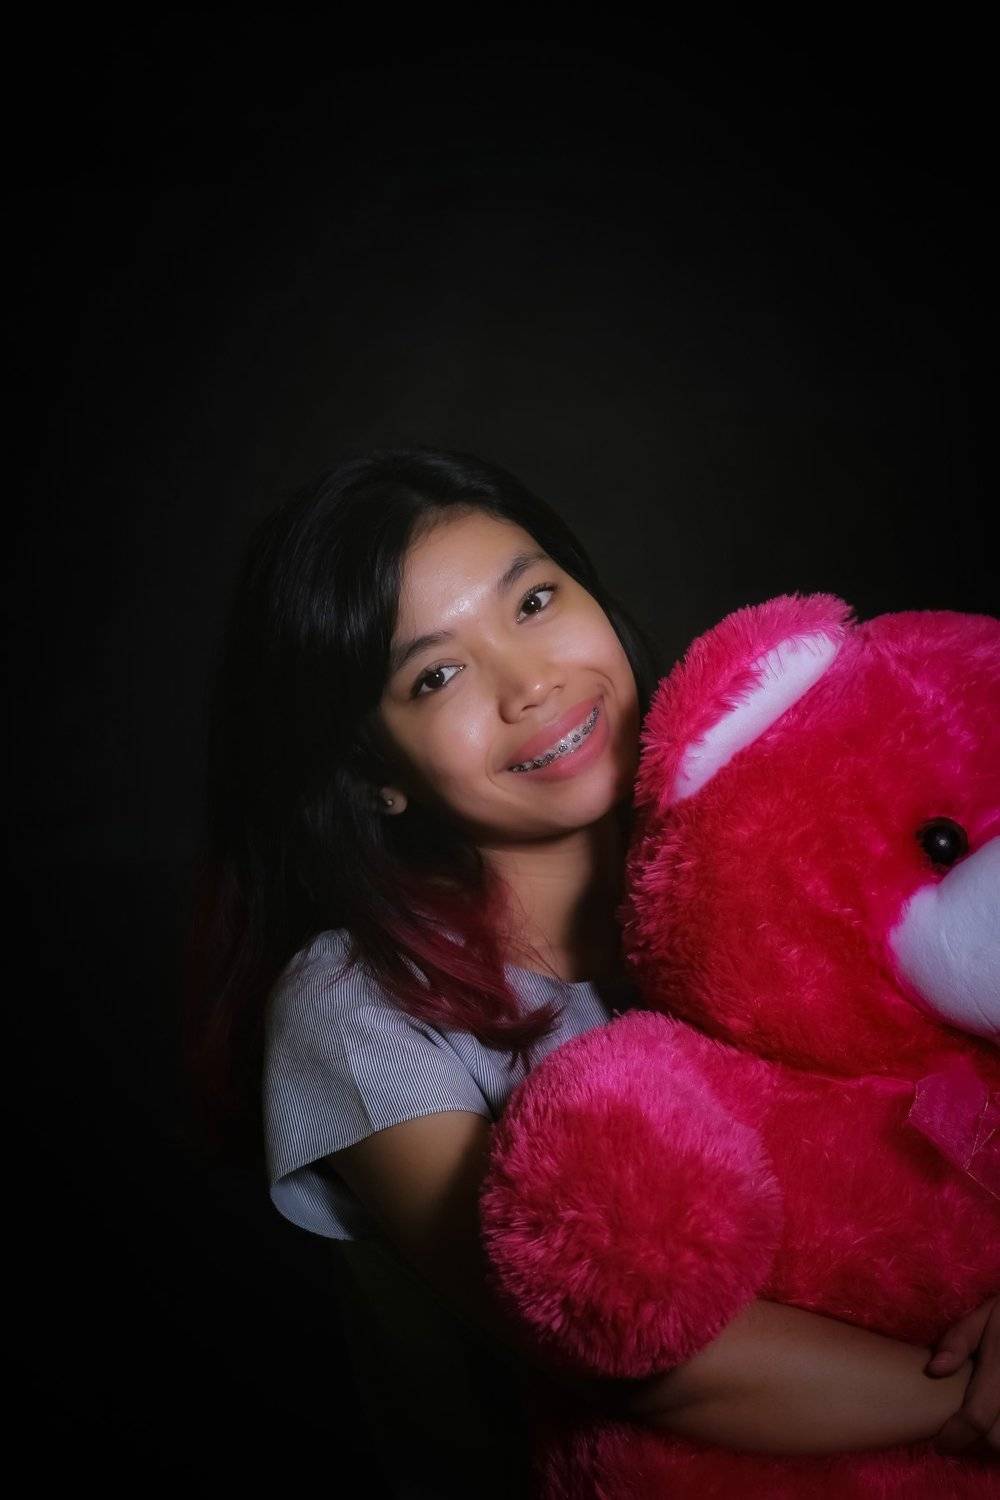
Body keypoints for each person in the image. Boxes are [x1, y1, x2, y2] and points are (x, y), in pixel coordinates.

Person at [182, 444, 998, 1494]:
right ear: (374, 774)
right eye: (436, 675)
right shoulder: (354, 1004)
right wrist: (974, 1396)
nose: (532, 684)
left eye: (533, 602)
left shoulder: (770, 840)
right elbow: (628, 1354)